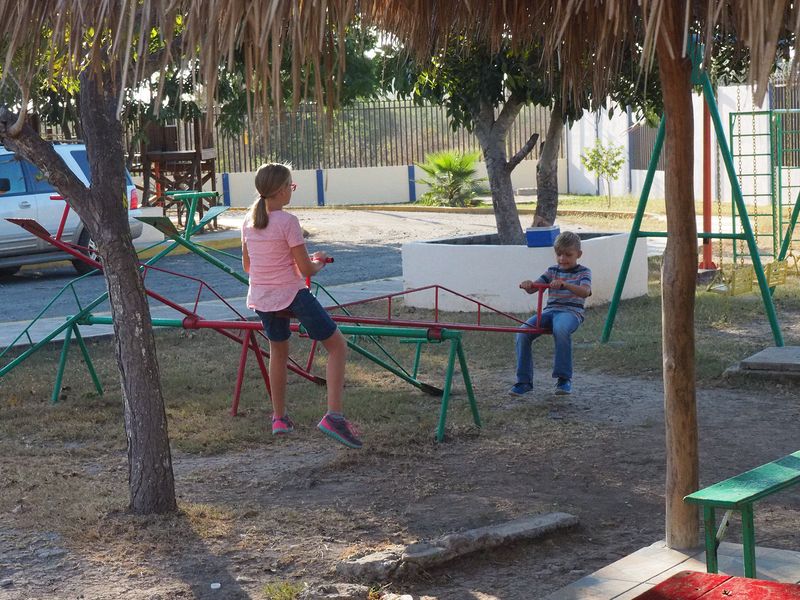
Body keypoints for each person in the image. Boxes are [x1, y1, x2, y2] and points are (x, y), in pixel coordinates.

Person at [241, 162, 362, 449]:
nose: (291, 191)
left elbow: (248, 265)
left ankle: (279, 418)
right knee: (337, 346)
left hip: (262, 297)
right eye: (291, 186)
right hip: (292, 294)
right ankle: (334, 416)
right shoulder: (288, 222)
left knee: (278, 352)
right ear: (282, 190)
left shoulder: (248, 221)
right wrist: (320, 262)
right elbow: (306, 268)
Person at [510, 231, 592, 397]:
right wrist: (529, 284)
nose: (562, 259)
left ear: (579, 254)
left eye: (568, 255)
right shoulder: (552, 270)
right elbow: (535, 288)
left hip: (571, 312)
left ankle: (563, 379)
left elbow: (585, 292)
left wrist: (565, 284)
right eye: (559, 254)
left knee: (560, 329)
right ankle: (524, 381)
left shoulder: (583, 272)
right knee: (522, 332)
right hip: (549, 312)